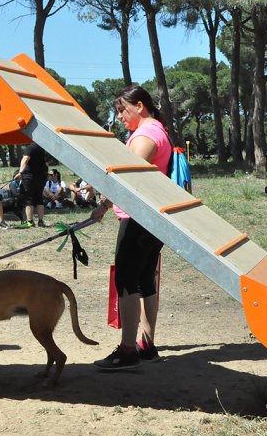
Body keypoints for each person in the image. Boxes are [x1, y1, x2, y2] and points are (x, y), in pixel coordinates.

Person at [90, 86, 171, 370]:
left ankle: (127, 351)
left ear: (140, 105)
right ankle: (147, 346)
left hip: (138, 219)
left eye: (123, 109)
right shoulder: (158, 130)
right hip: (149, 218)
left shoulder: (147, 134)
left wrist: (102, 198)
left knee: (126, 282)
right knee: (145, 281)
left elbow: (128, 173)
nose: (120, 116)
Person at [16, 142, 48, 227]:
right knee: (39, 198)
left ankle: (29, 221)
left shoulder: (30, 147)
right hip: (41, 177)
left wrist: (20, 172)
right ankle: (41, 221)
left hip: (29, 177)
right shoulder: (42, 147)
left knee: (28, 199)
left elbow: (25, 159)